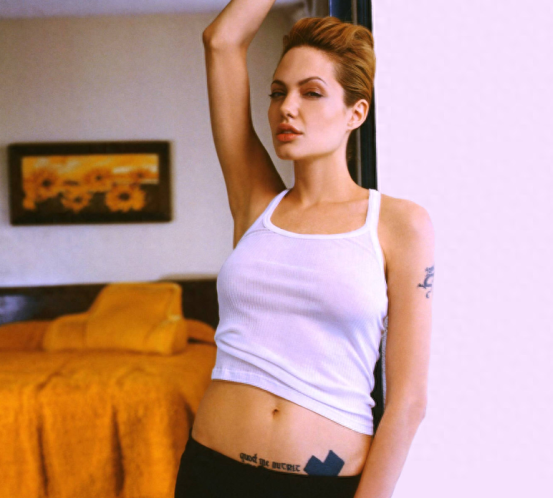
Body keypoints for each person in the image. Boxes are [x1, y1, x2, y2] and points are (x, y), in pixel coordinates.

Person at [174, 1, 434, 497]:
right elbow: (221, 41)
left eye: (311, 92)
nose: (286, 108)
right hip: (210, 471)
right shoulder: (257, 204)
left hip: (323, 484)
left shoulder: (400, 225)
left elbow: (409, 402)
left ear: (356, 112)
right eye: (278, 92)